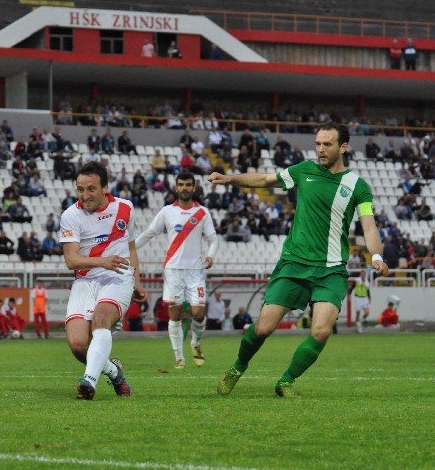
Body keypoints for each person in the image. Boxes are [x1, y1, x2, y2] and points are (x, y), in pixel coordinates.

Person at [209, 122, 389, 398]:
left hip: (330, 270)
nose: (320, 149)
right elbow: (265, 180)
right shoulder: (303, 171)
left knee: (320, 331)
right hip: (294, 264)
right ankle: (238, 366)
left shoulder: (358, 187)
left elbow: (369, 225)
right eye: (317, 143)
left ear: (343, 147)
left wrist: (375, 255)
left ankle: (286, 382)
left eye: (327, 144)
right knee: (263, 327)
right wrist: (230, 179)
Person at [59, 162, 148, 400]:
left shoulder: (125, 208)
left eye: (91, 189)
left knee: (100, 320)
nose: (84, 195)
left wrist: (136, 281)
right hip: (86, 280)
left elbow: (131, 249)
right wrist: (102, 261)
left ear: (105, 188)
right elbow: (71, 260)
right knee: (78, 345)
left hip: (117, 276)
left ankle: (89, 383)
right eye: (80, 189)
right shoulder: (70, 215)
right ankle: (113, 371)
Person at [134, 171, 217, 369]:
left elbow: (213, 238)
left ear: (194, 186)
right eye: (181, 184)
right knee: (175, 314)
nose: (185, 188)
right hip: (173, 270)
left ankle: (196, 344)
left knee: (198, 313)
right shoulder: (167, 212)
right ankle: (179, 357)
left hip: (195, 270)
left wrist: (211, 255)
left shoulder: (202, 212)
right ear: (176, 187)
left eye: (188, 184)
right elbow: (149, 233)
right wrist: (129, 248)